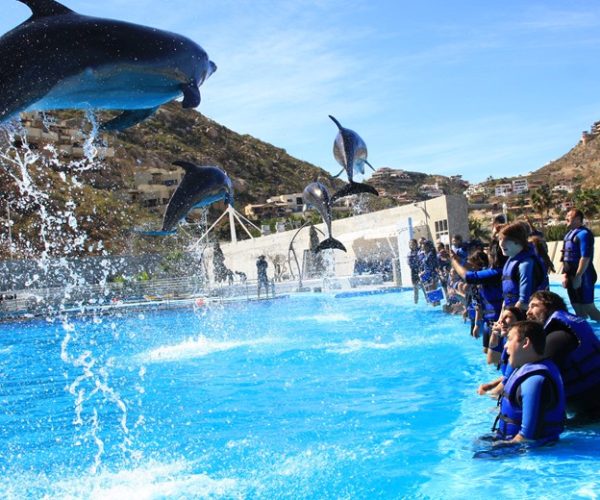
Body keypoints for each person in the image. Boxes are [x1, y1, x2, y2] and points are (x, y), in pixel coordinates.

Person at [527, 290, 600, 419]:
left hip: (590, 410)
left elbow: (535, 378)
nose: (528, 312)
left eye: (534, 306)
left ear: (550, 307)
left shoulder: (559, 336)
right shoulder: (569, 325)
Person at [491, 320, 566, 444]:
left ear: (525, 343)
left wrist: (498, 447)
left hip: (536, 453)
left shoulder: (535, 381)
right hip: (515, 444)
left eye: (510, 339)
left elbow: (527, 438)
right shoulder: (526, 370)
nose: (505, 346)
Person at [560, 208, 600, 321]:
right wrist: (564, 274)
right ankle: (585, 336)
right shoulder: (568, 235)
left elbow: (585, 257)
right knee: (578, 309)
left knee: (589, 309)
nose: (566, 218)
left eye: (569, 216)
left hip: (584, 275)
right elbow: (565, 257)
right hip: (571, 276)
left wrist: (578, 276)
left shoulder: (584, 234)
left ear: (577, 219)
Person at [498, 222, 547, 311]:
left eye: (506, 240)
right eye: (500, 239)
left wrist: (511, 316)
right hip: (513, 311)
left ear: (518, 241)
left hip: (526, 314)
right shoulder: (512, 260)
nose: (501, 244)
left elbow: (523, 302)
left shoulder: (526, 264)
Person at [478, 306, 526, 397]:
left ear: (518, 323)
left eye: (507, 317)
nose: (501, 321)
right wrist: (490, 385)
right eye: (501, 317)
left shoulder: (518, 347)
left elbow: (507, 381)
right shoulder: (506, 340)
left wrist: (487, 395)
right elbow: (491, 362)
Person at [407, 239, 420, 304]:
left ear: (416, 244)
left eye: (412, 243)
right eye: (410, 244)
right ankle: (416, 303)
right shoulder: (409, 253)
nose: (411, 245)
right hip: (414, 272)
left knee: (426, 288)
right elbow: (409, 263)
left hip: (421, 271)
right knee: (415, 289)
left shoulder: (420, 251)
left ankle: (430, 301)